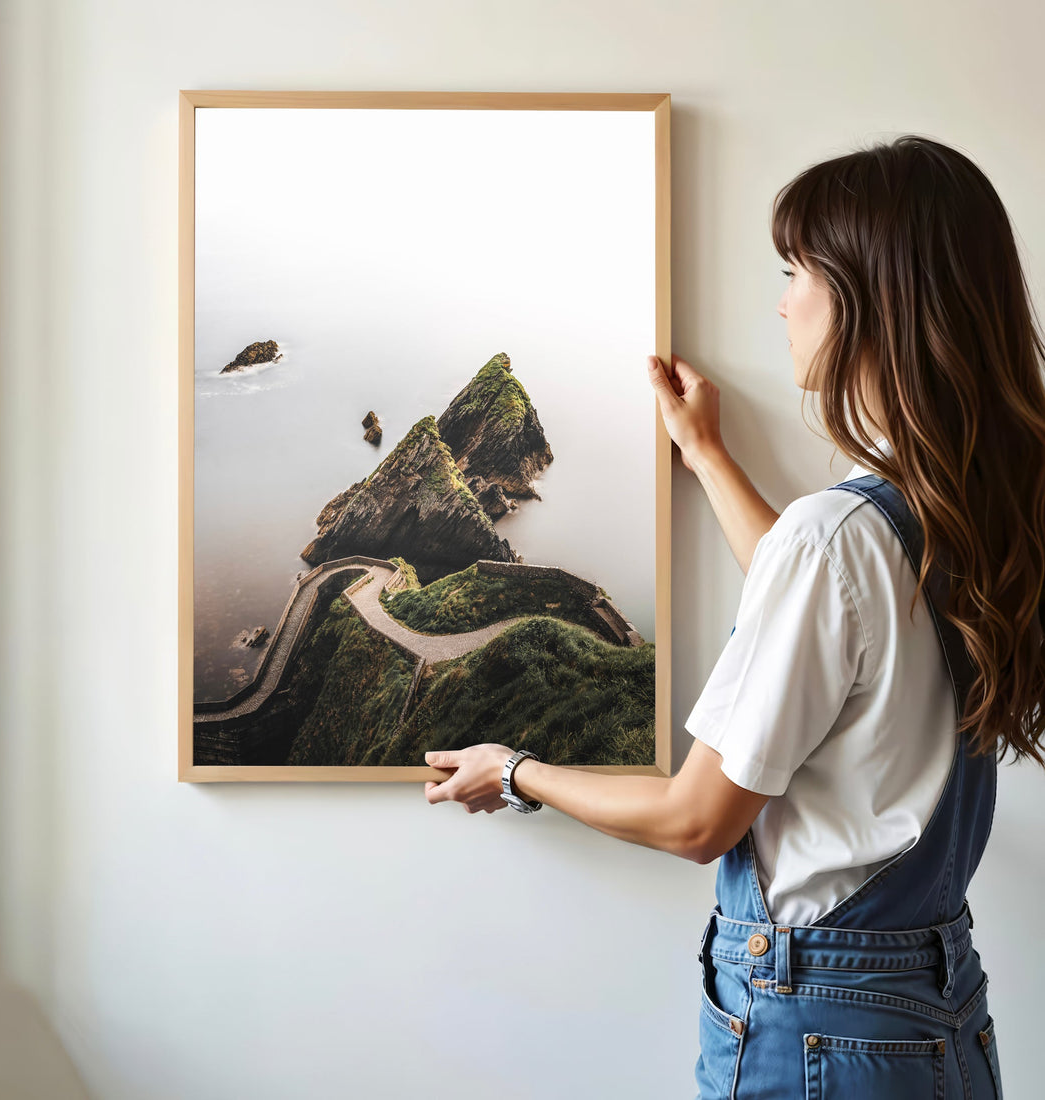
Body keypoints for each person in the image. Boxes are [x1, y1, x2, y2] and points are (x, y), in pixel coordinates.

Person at [422, 134, 1045, 1098]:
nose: (783, 299)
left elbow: (695, 819)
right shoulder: (964, 508)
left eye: (797, 272)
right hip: (932, 1013)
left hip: (818, 1028)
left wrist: (514, 771)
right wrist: (709, 456)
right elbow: (835, 624)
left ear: (870, 301)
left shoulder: (839, 535)